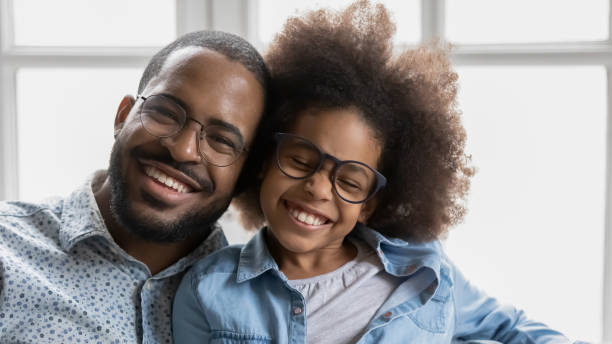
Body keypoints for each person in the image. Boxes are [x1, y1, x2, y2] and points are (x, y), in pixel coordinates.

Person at [172, 2, 575, 343]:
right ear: (264, 158)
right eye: (299, 160)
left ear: (368, 205)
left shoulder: (425, 274)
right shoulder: (207, 290)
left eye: (349, 181)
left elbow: (514, 329)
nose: (317, 188)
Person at [0, 30, 268, 343]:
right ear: (124, 116)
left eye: (222, 140)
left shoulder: (262, 302)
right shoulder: (7, 252)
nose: (182, 150)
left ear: (245, 175)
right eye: (166, 113)